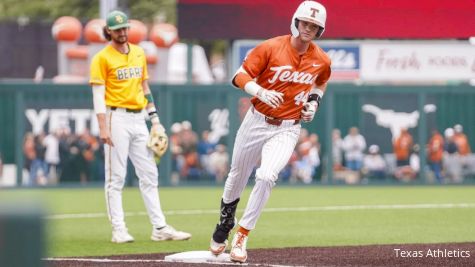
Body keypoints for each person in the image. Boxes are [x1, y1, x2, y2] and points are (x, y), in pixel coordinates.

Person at [208, 1, 331, 263]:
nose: (308, 28)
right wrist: (261, 91)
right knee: (237, 176)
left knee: (266, 176)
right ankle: (225, 223)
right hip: (256, 120)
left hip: (287, 128)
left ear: (320, 29)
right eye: (305, 22)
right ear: (296, 22)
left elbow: (321, 81)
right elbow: (238, 76)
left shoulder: (321, 59)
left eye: (314, 25)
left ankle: (242, 234)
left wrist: (313, 103)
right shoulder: (271, 46)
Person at [89, 10, 191, 243]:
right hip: (116, 117)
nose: (122, 32)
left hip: (139, 119)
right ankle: (119, 229)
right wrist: (103, 127)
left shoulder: (138, 52)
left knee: (149, 173)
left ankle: (160, 227)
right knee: (116, 177)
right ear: (109, 31)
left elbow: (144, 88)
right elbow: (98, 95)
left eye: (125, 28)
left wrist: (155, 120)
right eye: (117, 29)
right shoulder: (102, 58)